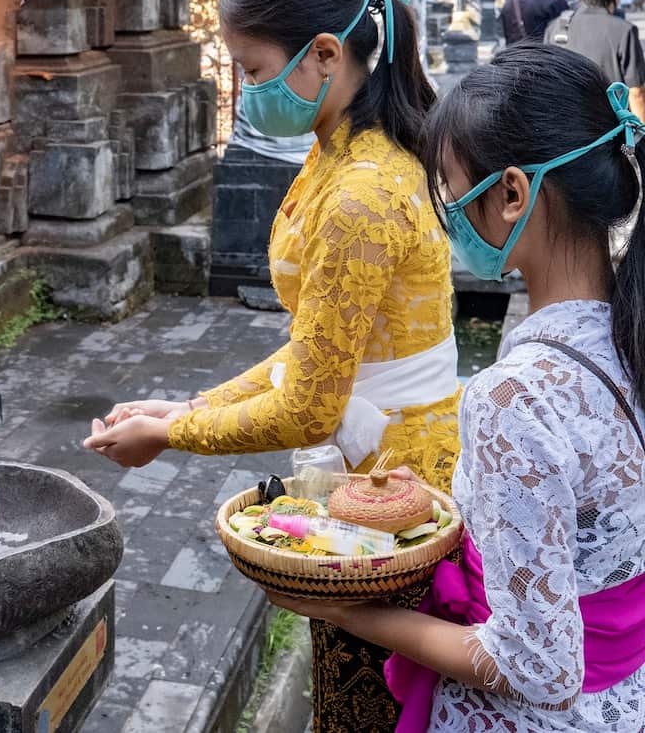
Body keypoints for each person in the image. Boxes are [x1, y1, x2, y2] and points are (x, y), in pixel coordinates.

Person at [83, 0, 459, 732]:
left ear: (324, 54)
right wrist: (183, 402)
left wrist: (172, 432)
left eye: (253, 70)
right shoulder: (339, 153)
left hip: (393, 486)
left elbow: (308, 407)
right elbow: (315, 349)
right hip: (378, 453)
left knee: (373, 705)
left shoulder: (360, 193)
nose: (246, 91)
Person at [272, 45, 645, 732]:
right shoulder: (628, 337)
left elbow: (540, 666)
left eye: (451, 189)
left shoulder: (515, 397)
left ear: (510, 192)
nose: (449, 217)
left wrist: (357, 613)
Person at [546, 0, 645, 122]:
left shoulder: (556, 27)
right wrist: (640, 137)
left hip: (564, 126)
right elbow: (636, 92)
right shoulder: (624, 31)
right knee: (625, 148)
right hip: (609, 128)